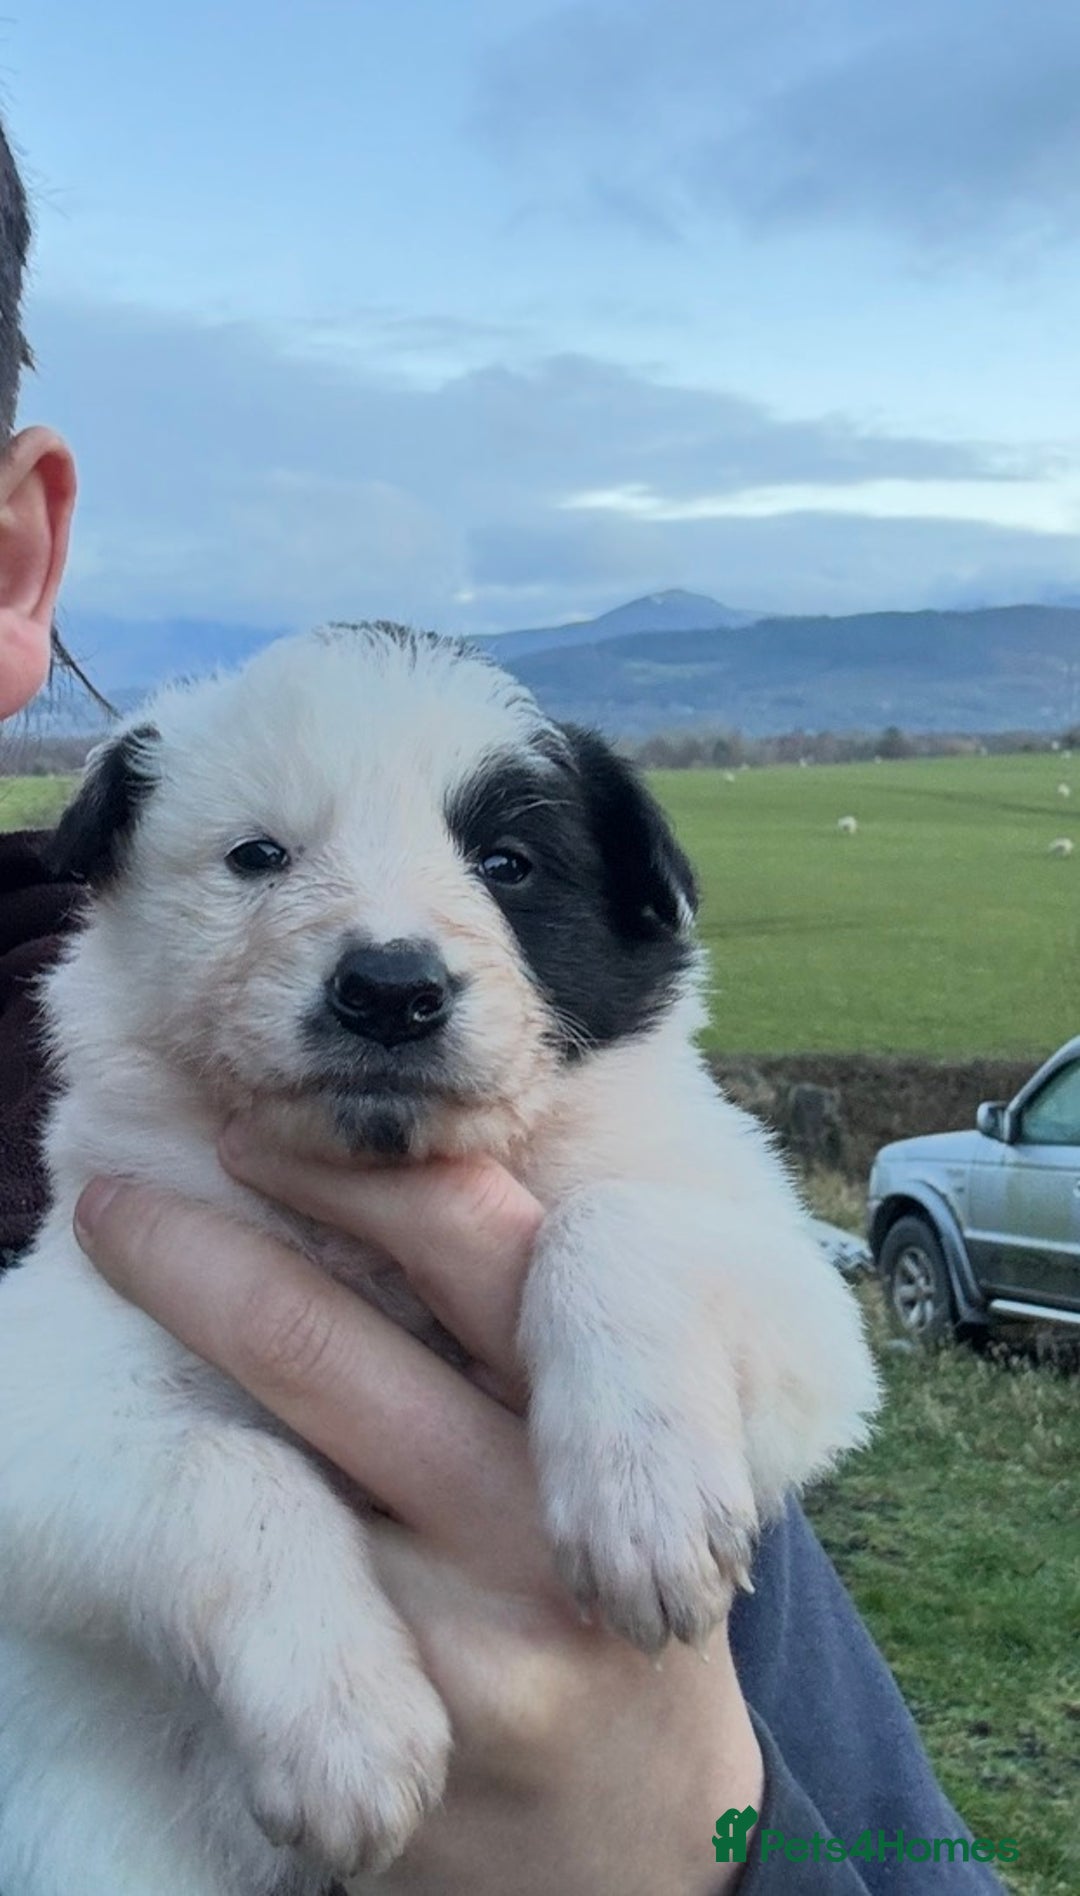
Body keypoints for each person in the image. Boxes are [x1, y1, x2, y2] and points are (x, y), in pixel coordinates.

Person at [0, 111, 1003, 1894]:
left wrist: (695, 1837)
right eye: (257, 862)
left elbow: (793, 1380)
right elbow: (48, 1450)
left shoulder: (618, 1159)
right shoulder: (117, 1131)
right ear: (129, 876)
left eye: (508, 867)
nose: (387, 949)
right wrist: (247, 1556)